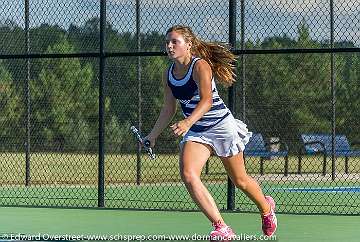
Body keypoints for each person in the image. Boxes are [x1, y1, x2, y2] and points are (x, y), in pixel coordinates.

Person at [144, 25, 277, 240]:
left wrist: (187, 122)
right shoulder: (168, 74)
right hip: (198, 131)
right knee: (188, 174)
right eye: (167, 42)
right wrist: (153, 135)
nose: (169, 46)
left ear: (188, 45)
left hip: (221, 126)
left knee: (240, 181)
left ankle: (266, 208)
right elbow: (168, 108)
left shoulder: (200, 66)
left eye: (174, 41)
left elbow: (206, 101)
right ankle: (221, 227)